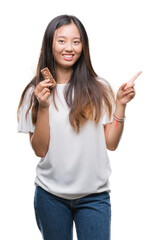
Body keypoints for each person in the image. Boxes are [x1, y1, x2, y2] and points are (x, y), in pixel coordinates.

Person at [17, 15, 141, 240]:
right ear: (49, 45)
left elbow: (110, 143)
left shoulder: (99, 88)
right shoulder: (34, 93)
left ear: (83, 46)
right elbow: (40, 151)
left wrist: (120, 106)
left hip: (94, 196)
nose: (69, 48)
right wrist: (44, 106)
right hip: (50, 196)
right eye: (61, 41)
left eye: (76, 41)